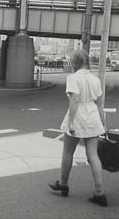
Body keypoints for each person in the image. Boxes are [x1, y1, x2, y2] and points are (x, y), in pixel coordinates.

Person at [49, 49, 107, 207]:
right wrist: (103, 124)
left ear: (74, 63)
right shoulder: (95, 80)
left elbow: (74, 100)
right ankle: (99, 192)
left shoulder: (73, 78)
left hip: (79, 115)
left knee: (68, 152)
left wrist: (71, 123)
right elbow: (100, 104)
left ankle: (63, 183)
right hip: (93, 116)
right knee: (93, 155)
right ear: (87, 62)